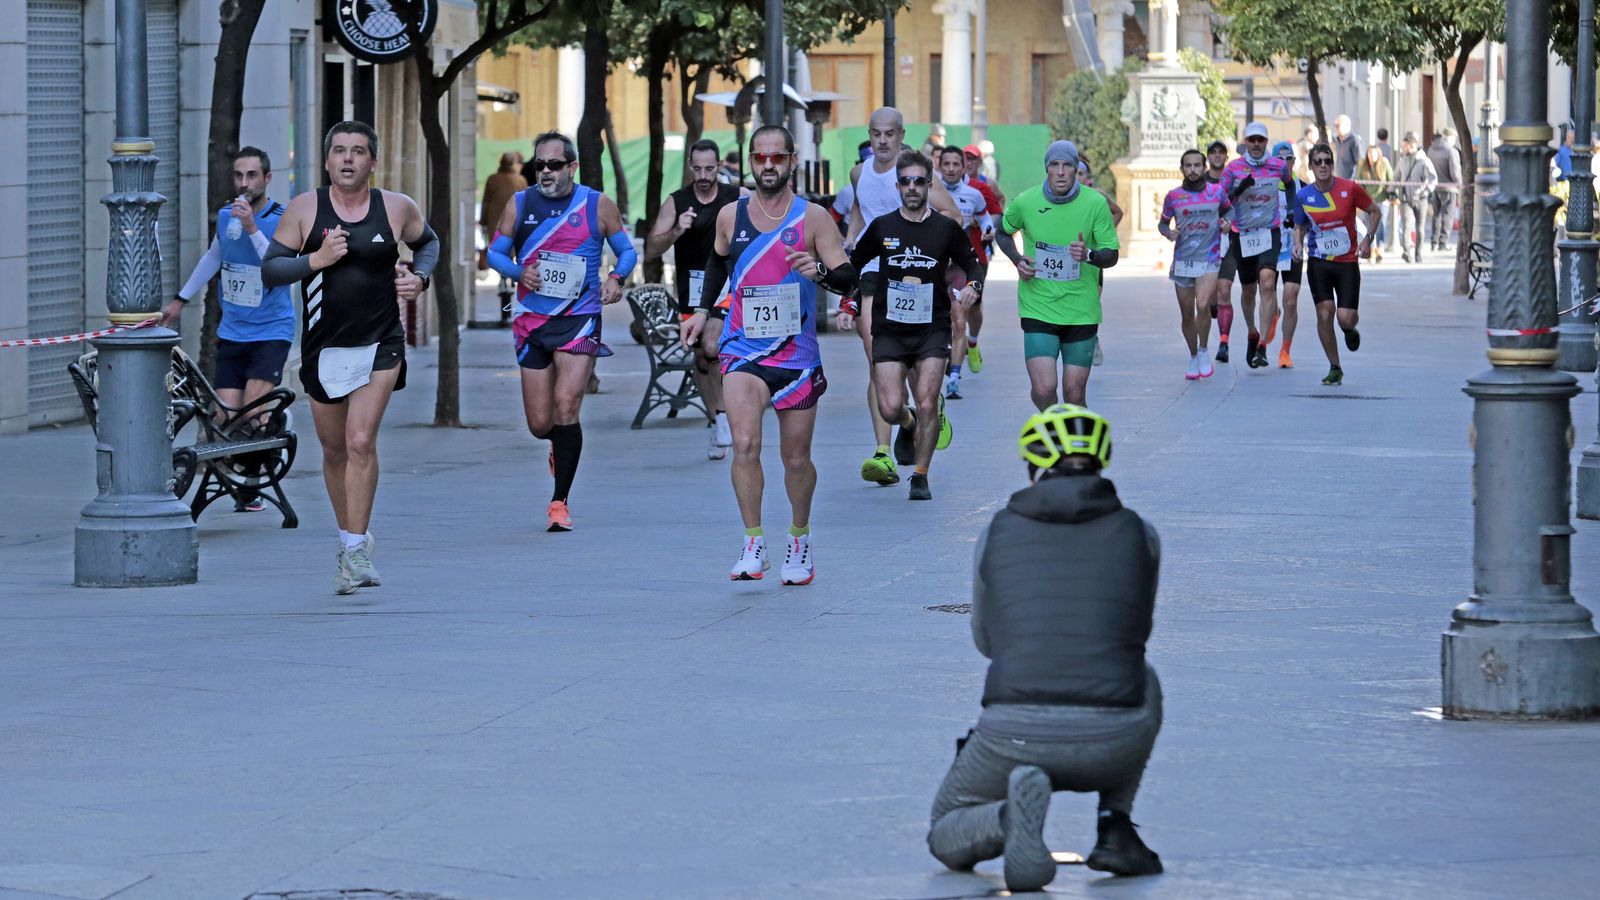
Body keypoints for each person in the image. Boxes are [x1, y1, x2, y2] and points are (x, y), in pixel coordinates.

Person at [927, 403, 1163, 890]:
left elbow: (987, 641)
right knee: (1143, 675)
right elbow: (1133, 633)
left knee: (947, 828)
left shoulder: (996, 531)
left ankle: (1008, 820)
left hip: (1013, 735)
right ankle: (1114, 823)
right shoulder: (1141, 533)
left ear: (1034, 467)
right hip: (1114, 739)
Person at [261, 121, 437, 595]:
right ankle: (350, 537)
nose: (347, 159)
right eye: (339, 150)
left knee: (360, 442)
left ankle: (355, 552)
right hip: (324, 347)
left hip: (381, 342)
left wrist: (420, 278)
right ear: (326, 160)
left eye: (358, 151)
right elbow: (272, 270)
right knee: (335, 450)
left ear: (372, 162)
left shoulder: (397, 208)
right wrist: (315, 260)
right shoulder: (305, 209)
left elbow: (429, 244)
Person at [680, 125, 855, 585]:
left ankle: (799, 540)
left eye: (777, 157)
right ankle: (753, 542)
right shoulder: (729, 215)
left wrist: (817, 271)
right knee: (744, 443)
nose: (769, 165)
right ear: (750, 161)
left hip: (796, 356)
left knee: (795, 459)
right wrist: (704, 311)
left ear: (792, 161)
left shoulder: (813, 218)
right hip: (743, 348)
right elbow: (718, 261)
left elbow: (846, 276)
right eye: (760, 158)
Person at [487, 130, 635, 533]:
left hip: (579, 318)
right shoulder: (520, 203)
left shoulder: (597, 204)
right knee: (540, 424)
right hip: (532, 321)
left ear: (572, 167)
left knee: (568, 404)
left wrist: (616, 277)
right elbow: (495, 254)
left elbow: (627, 250)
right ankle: (560, 443)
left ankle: (559, 502)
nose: (545, 172)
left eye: (554, 165)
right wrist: (520, 272)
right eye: (539, 165)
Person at [849, 149, 981, 500]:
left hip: (931, 329)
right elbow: (853, 266)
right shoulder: (882, 227)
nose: (911, 187)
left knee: (927, 402)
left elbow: (972, 263)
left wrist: (972, 287)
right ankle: (907, 425)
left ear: (928, 185)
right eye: (905, 181)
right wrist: (845, 299)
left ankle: (920, 475)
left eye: (918, 181)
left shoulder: (945, 228)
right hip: (890, 328)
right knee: (890, 407)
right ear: (898, 186)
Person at [994, 140, 1119, 409]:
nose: (1061, 172)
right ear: (1047, 169)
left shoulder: (1095, 203)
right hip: (1038, 307)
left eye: (1067, 166)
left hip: (1080, 310)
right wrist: (1017, 260)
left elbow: (1112, 255)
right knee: (1043, 388)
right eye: (1055, 165)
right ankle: (1051, 425)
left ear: (1076, 170)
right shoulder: (1026, 201)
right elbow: (1002, 230)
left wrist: (1089, 255)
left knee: (1074, 393)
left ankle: (1072, 447)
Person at [645, 138, 741, 460]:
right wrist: (676, 231)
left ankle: (728, 417)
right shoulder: (677, 201)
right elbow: (651, 250)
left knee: (713, 348)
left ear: (718, 167)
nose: (703, 175)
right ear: (690, 166)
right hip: (693, 290)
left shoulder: (735, 196)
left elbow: (764, 219)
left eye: (710, 169)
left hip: (726, 287)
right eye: (697, 168)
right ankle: (717, 420)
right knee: (701, 358)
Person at [1294, 141, 1381, 386]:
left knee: (1345, 317)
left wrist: (1368, 240)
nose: (1323, 165)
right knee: (1324, 313)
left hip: (1347, 262)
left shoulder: (1349, 188)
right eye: (1318, 161)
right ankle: (1335, 366)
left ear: (1332, 164)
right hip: (1319, 263)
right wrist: (1297, 243)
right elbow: (1300, 226)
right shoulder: (1304, 195)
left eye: (1327, 161)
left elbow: (1375, 211)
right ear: (1310, 166)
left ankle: (1348, 329)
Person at [1220, 122, 1298, 370]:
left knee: (1267, 283)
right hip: (1242, 234)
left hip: (1269, 231)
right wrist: (1239, 188)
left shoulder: (1277, 166)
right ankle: (1252, 332)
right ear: (1245, 142)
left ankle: (1263, 345)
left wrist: (1292, 209)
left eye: (1260, 140)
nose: (1256, 145)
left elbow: (1291, 184)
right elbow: (1221, 198)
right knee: (1249, 291)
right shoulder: (1233, 168)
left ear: (1266, 142)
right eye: (1251, 140)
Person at [1158, 149, 1228, 379]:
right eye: (1188, 166)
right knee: (1187, 313)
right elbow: (1163, 223)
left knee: (1203, 304)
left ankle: (1205, 350)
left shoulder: (1216, 192)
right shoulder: (1173, 196)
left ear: (1204, 167)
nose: (1193, 170)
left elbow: (1230, 210)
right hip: (1183, 261)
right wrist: (1168, 233)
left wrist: (1227, 222)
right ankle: (1193, 356)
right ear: (1182, 169)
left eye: (1197, 165)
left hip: (1209, 257)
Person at [936, 145, 996, 400]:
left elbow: (986, 218)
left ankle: (954, 378)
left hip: (962, 265)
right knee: (940, 323)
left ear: (964, 168)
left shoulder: (974, 193)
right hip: (933, 268)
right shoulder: (929, 191)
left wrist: (988, 229)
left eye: (955, 164)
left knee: (961, 318)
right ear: (939, 166)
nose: (950, 169)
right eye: (946, 164)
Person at [961, 144, 1007, 373]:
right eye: (965, 159)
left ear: (979, 162)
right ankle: (953, 357)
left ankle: (972, 341)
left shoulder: (984, 185)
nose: (968, 163)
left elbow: (998, 206)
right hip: (949, 259)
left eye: (972, 160)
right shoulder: (938, 187)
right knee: (953, 310)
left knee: (973, 307)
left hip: (977, 254)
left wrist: (989, 227)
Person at [1271, 141, 1306, 369]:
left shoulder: (1303, 187)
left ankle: (1285, 350)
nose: (1285, 163)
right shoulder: (1265, 187)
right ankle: (1272, 315)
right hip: (1270, 248)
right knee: (1269, 296)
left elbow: (1313, 219)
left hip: (1293, 247)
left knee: (1291, 298)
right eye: (1280, 159)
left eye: (1289, 159)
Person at [1204, 140, 1239, 360]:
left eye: (1221, 153)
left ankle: (1224, 343)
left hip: (1230, 241)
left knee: (1224, 289)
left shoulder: (1233, 179)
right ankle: (1212, 307)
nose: (1217, 156)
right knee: (1209, 297)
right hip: (1205, 244)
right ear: (1208, 157)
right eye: (1213, 152)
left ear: (1226, 157)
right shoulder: (1200, 181)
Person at [1393, 131, 1438, 263]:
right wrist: (1391, 190)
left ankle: (1418, 253)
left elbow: (1432, 179)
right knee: (1406, 224)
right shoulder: (1402, 160)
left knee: (1420, 227)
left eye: (1405, 146)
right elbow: (1396, 177)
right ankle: (1407, 251)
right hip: (1406, 198)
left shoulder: (1424, 161)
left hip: (1421, 198)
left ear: (1412, 145)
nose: (1403, 148)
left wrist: (1424, 192)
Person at [480, 152, 527, 255]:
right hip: (515, 221)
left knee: (497, 252)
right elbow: (526, 204)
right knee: (511, 252)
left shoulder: (492, 179)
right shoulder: (520, 180)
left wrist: (483, 221)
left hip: (494, 221)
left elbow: (486, 201)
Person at [1354, 143, 1393, 264]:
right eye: (1369, 153)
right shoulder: (1362, 165)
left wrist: (1391, 193)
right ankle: (1372, 249)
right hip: (1368, 201)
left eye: (1374, 153)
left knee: (1380, 226)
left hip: (1382, 199)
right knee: (1368, 226)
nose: (1371, 155)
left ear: (1378, 154)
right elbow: (1359, 182)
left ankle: (1380, 249)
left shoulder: (1384, 164)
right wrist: (1361, 198)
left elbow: (1390, 180)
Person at [1428, 129, 1464, 252]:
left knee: (1436, 215)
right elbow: (1455, 172)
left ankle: (1434, 241)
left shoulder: (1431, 149)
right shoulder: (1451, 151)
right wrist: (1460, 185)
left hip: (1435, 186)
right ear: (1450, 138)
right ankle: (1443, 242)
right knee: (1448, 215)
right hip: (1449, 188)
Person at [1331, 114, 1364, 181]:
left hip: (1351, 180)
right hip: (1339, 180)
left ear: (1347, 126)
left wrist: (1355, 179)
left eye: (1338, 126)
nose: (1336, 128)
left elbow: (1360, 162)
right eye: (1335, 126)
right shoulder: (1337, 140)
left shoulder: (1354, 140)